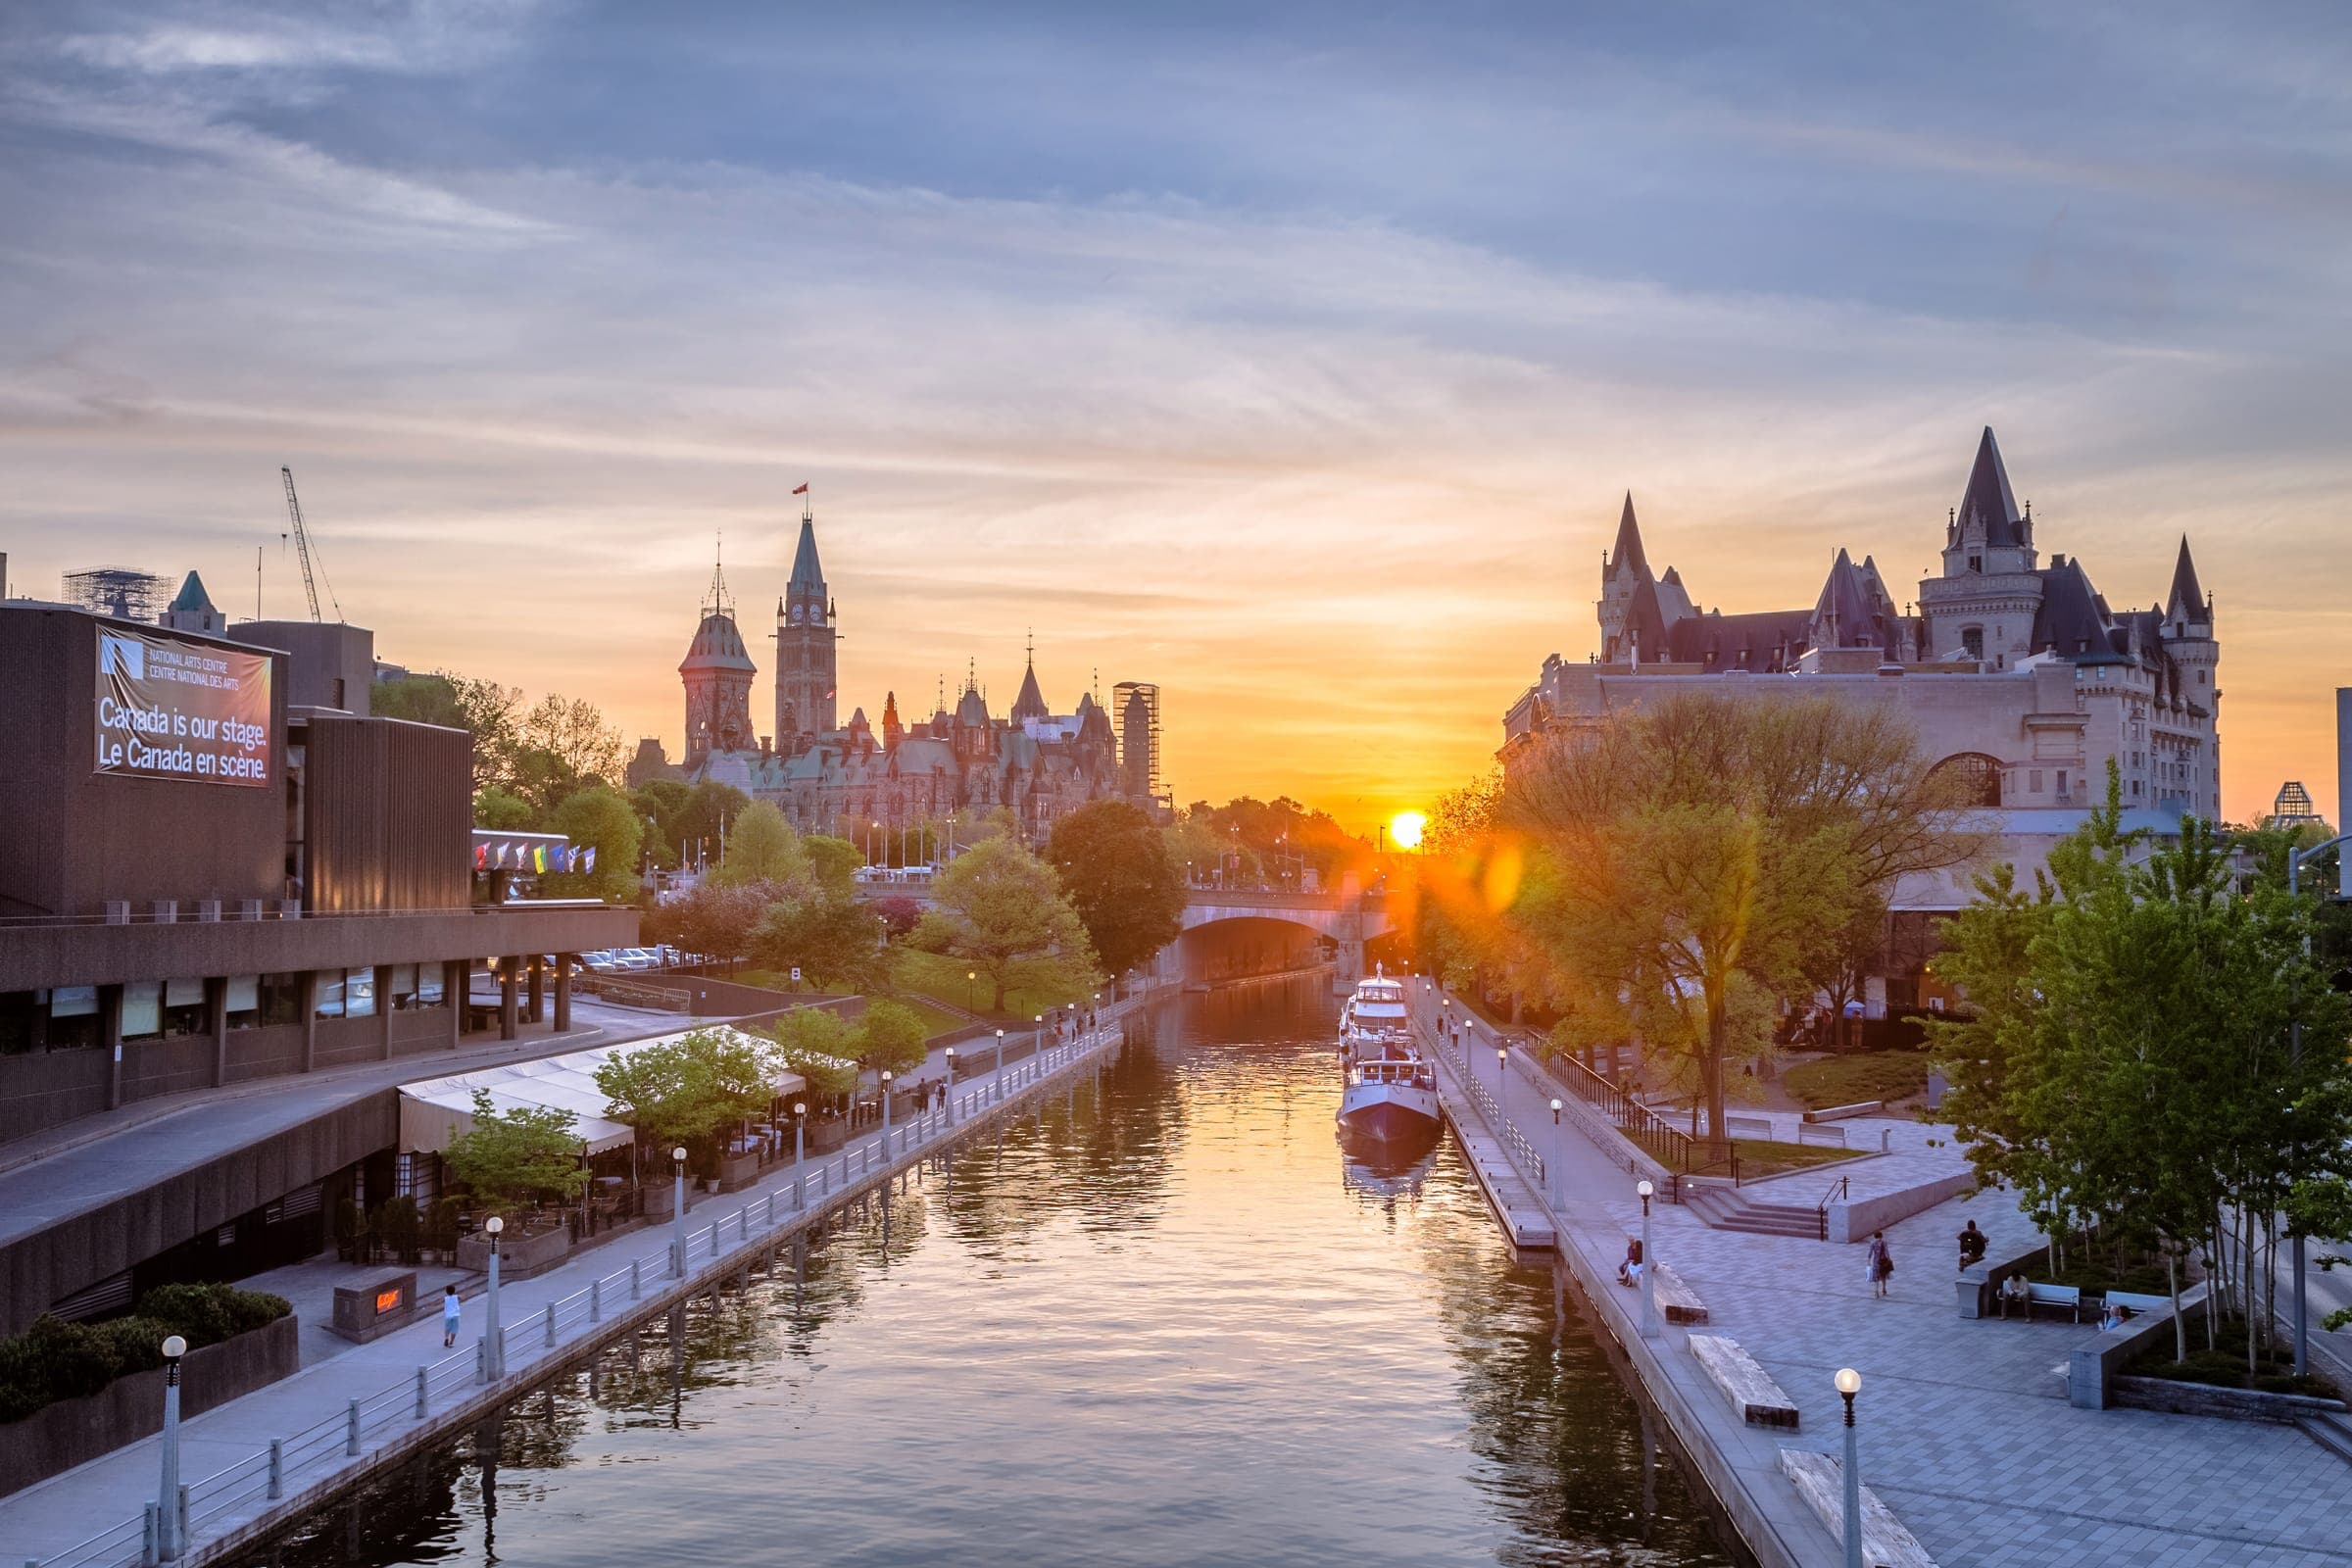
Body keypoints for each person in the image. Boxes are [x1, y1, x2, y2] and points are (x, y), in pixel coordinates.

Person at [1867, 1231, 1893, 1298]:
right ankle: (1884, 1289)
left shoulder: (1873, 1243)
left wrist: (1868, 1261)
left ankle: (1876, 1292)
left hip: (1876, 1262)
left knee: (1876, 1277)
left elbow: (1870, 1253)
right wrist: (1889, 1259)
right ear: (1881, 1236)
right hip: (1884, 1262)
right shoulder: (1884, 1242)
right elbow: (1887, 1252)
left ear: (1875, 1237)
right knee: (1883, 1276)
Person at [441, 1284, 462, 1348]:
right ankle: (451, 1342)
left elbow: (438, 1302)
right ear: (454, 1291)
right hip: (456, 1315)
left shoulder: (445, 1298)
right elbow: (462, 1298)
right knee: (454, 1329)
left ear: (446, 1291)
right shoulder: (456, 1297)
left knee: (447, 1328)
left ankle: (446, 1338)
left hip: (448, 1316)